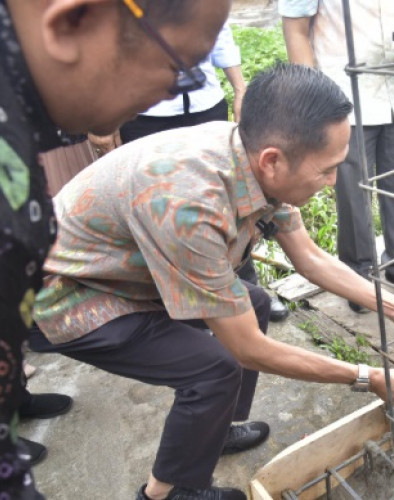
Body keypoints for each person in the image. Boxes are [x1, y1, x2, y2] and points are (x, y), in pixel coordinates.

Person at [30, 63, 394, 500]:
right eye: (327, 170)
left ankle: (212, 432)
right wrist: (367, 376)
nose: (333, 183)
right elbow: (248, 350)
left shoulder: (249, 151)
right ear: (273, 160)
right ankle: (167, 491)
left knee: (253, 306)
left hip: (129, 267)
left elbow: (310, 257)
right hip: (69, 290)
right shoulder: (191, 205)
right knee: (213, 367)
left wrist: (392, 304)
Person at [0, 0, 232, 496]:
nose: (176, 93)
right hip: (68, 298)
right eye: (178, 68)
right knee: (215, 364)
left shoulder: (21, 124)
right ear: (74, 21)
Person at [118, 23, 291, 322]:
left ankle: (248, 292)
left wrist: (240, 88)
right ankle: (175, 309)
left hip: (203, 104)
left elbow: (219, 31)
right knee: (157, 209)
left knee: (231, 202)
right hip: (143, 110)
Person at [280, 0, 394, 312]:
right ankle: (358, 275)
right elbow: (296, 28)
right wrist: (314, 100)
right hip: (344, 95)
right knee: (353, 194)